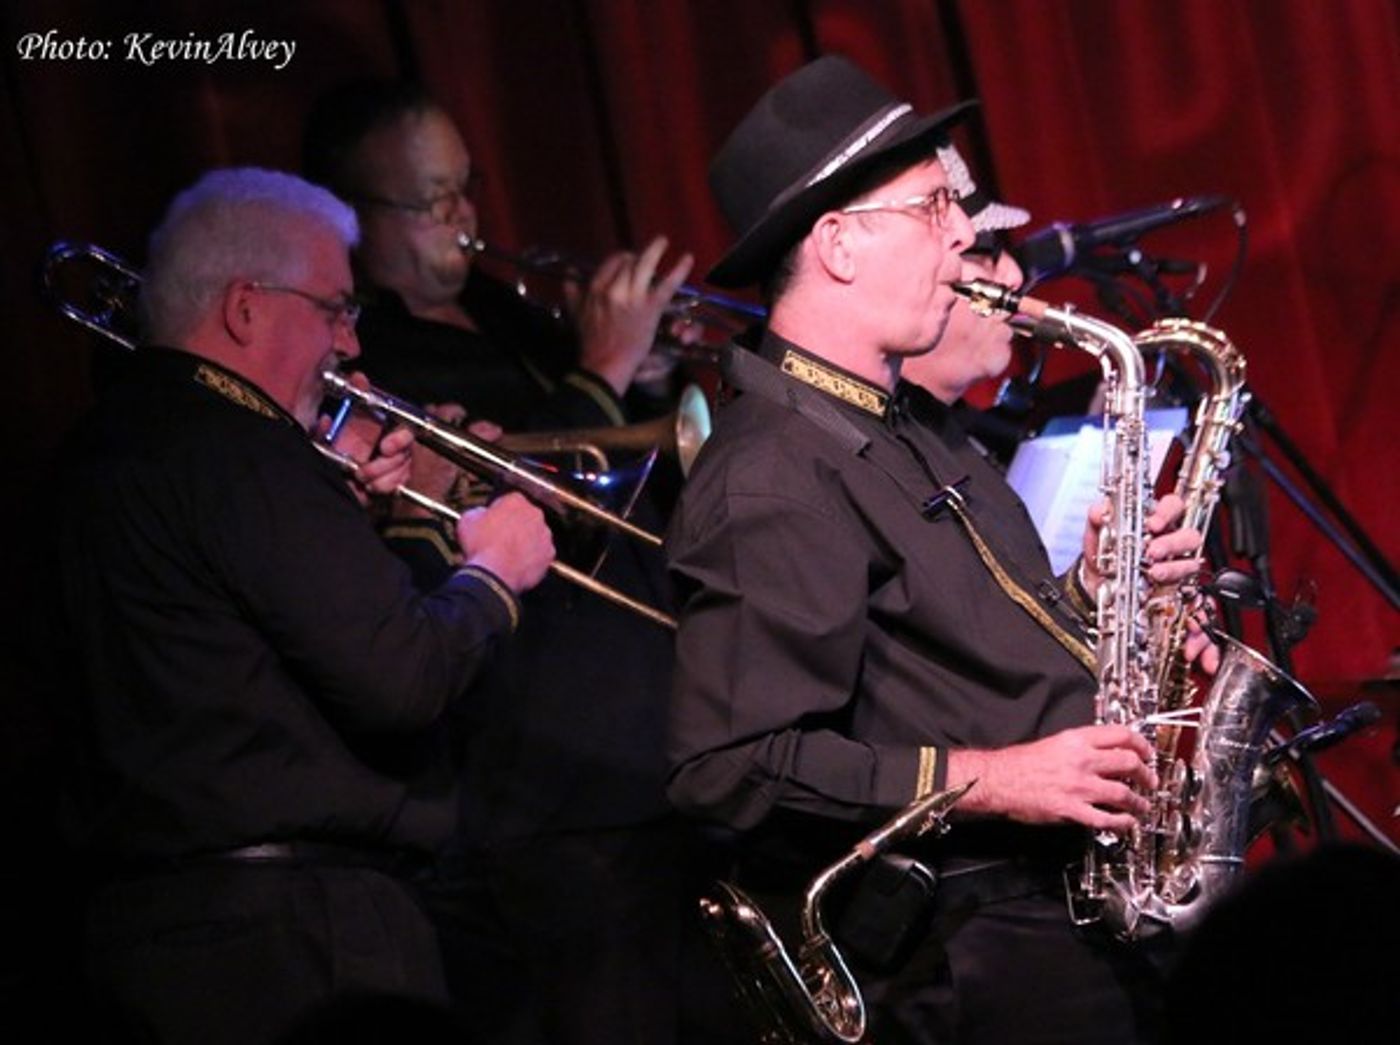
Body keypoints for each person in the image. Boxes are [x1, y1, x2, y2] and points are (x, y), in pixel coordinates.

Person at [665, 56, 1213, 1045]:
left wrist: (1098, 591)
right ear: (835, 244)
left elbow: (958, 658)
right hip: (970, 957)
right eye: (931, 206)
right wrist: (996, 777)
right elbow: (728, 764)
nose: (964, 230)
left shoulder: (915, 426)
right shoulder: (769, 474)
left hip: (1065, 918)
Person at [44, 167, 555, 1045]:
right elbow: (404, 677)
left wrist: (357, 520)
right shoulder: (241, 450)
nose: (351, 345)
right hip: (298, 946)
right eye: (335, 309)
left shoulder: (106, 442)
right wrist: (494, 577)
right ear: (247, 308)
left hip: (150, 947)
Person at [301, 82, 729, 1044]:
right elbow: (526, 501)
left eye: (466, 187)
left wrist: (651, 369)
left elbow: (625, 465)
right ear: (354, 219)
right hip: (549, 786)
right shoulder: (366, 354)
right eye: (431, 198)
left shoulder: (504, 313)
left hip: (656, 745)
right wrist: (606, 368)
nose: (465, 217)